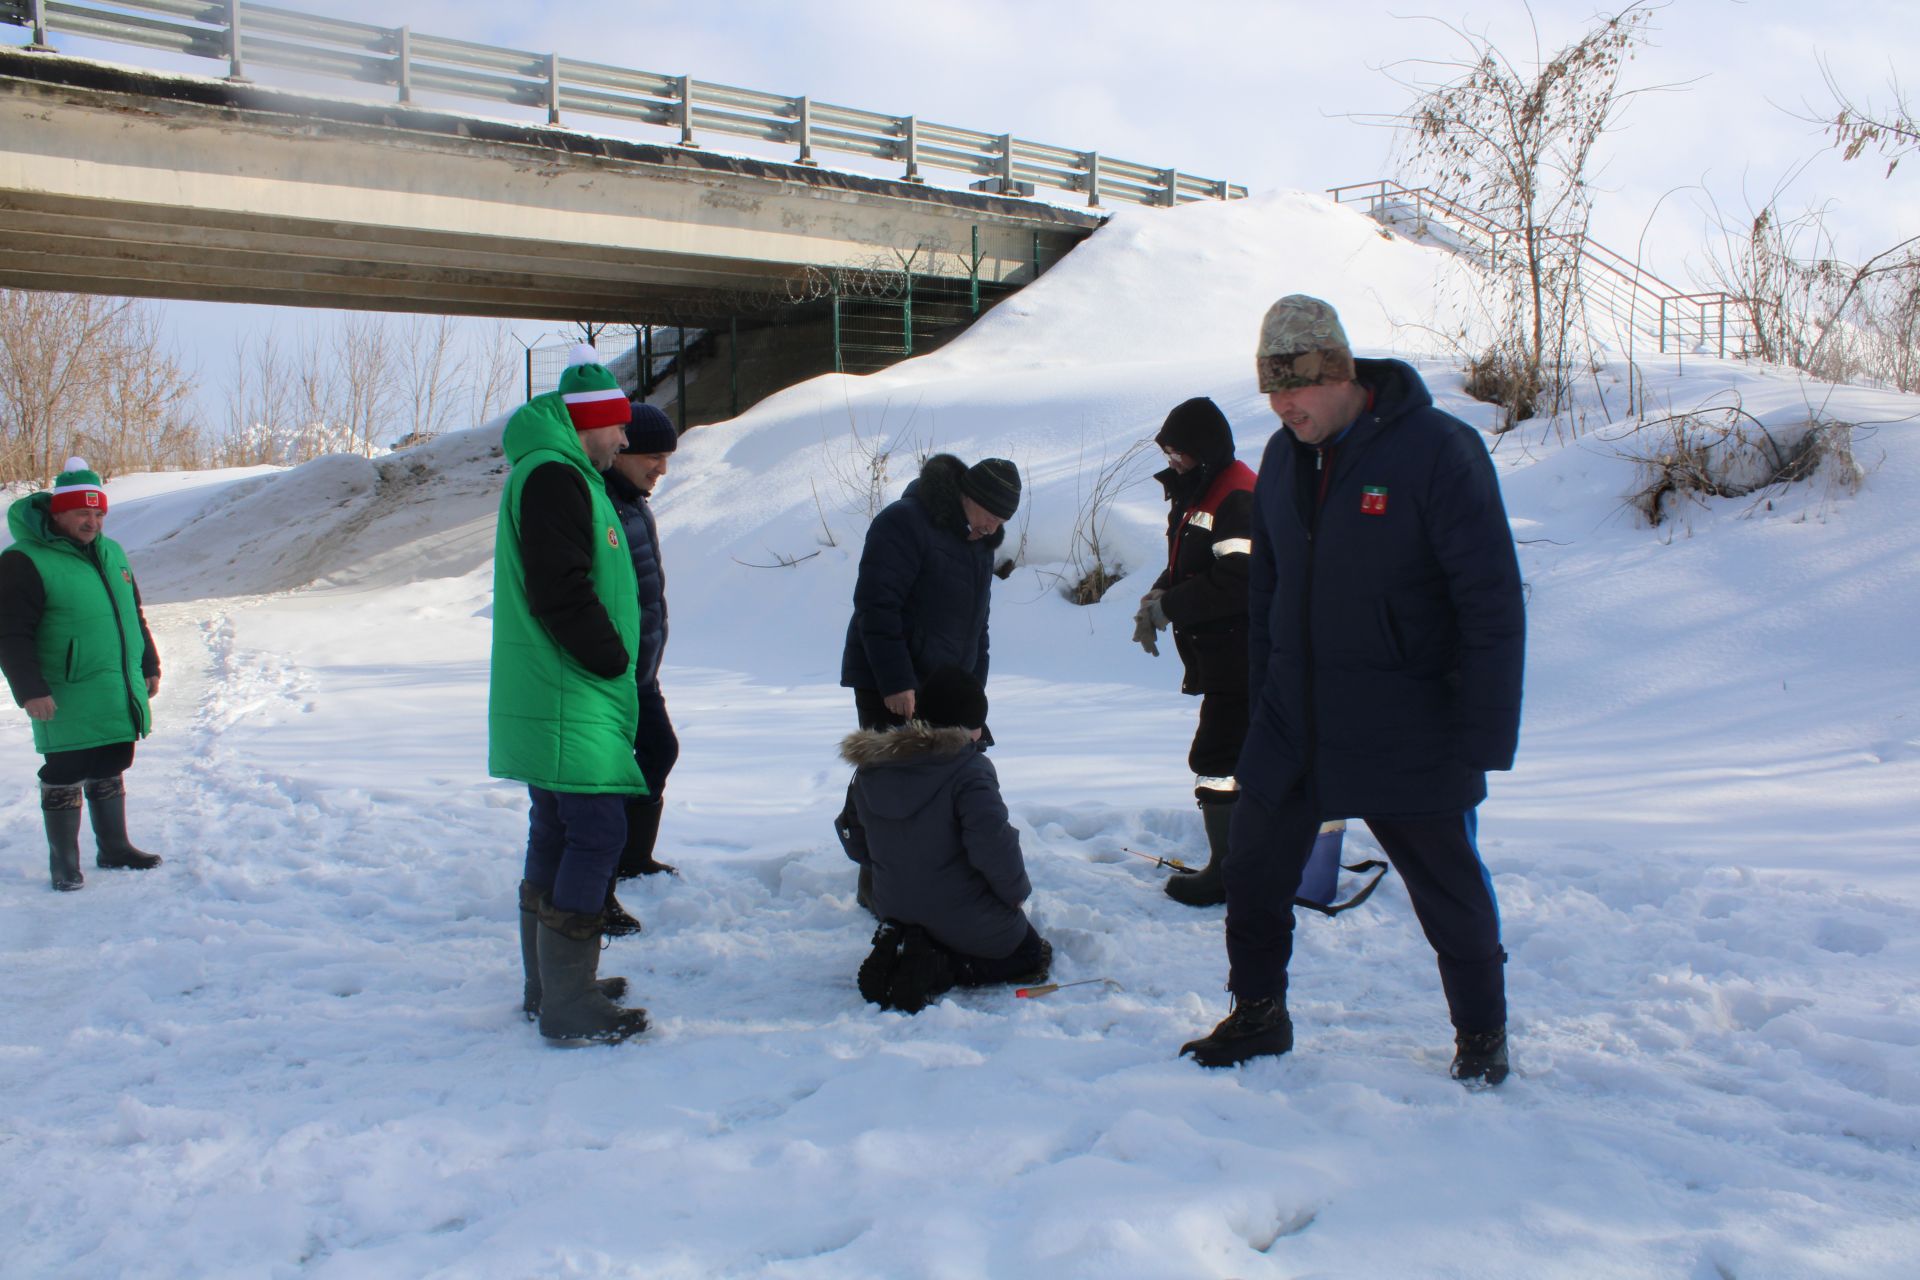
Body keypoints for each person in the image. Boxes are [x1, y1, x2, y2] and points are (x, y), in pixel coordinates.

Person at [1178, 296, 1525, 1086]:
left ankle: (1481, 1035)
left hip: (1408, 721)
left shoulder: (1439, 452)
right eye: (1272, 390)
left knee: (1447, 889)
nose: (1284, 405)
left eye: (1298, 387)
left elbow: (1491, 602)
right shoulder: (1281, 460)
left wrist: (1484, 734)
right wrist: (1264, 703)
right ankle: (1259, 1011)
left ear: (1342, 375)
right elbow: (1267, 596)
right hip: (1294, 720)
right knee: (1256, 874)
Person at [488, 345, 650, 1046]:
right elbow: (562, 587)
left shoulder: (558, 472)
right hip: (571, 689)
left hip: (564, 690)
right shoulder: (556, 475)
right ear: (591, 423)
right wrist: (613, 657)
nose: (624, 439)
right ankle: (570, 1002)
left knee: (556, 827)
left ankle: (550, 987)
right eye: (618, 427)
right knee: (596, 832)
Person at [839, 452, 1020, 908]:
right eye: (988, 516)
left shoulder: (980, 541)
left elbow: (978, 626)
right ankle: (876, 886)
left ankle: (930, 885)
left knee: (941, 790)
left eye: (1000, 522)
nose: (991, 528)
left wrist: (974, 701)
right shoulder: (903, 522)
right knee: (889, 786)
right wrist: (896, 682)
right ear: (966, 496)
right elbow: (876, 607)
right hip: (890, 677)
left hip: (946, 688)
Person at [837, 666, 1051, 1012]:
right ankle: (941, 968)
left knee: (940, 920)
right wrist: (1015, 894)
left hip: (892, 907)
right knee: (1029, 952)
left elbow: (856, 842)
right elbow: (993, 846)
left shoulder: (872, 765)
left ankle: (907, 943)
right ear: (967, 726)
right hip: (958, 913)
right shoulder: (969, 771)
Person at [1, 457, 163, 892]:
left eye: (98, 514)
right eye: (82, 514)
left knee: (112, 759)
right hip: (63, 688)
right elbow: (10, 633)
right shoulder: (23, 560)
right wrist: (29, 689)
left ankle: (114, 847)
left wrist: (148, 664)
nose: (92, 522)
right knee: (67, 766)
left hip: (115, 681)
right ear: (58, 514)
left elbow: (133, 613)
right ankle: (64, 862)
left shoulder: (112, 553)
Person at [1131, 397, 1259, 907]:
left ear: (1205, 449)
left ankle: (1228, 874)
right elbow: (1190, 561)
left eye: (1178, 450)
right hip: (1224, 655)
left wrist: (1172, 608)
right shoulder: (1200, 489)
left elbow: (1240, 579)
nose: (1172, 460)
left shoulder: (1238, 496)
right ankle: (1246, 863)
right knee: (1234, 758)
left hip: (1246, 655)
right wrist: (1158, 594)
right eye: (1166, 450)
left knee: (1218, 759)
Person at [599, 402, 679, 941]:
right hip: (608, 675)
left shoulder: (633, 503)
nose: (661, 469)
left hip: (640, 669)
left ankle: (632, 858)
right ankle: (595, 890)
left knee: (659, 750)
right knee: (601, 786)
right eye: (654, 457)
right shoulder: (602, 505)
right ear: (622, 451)